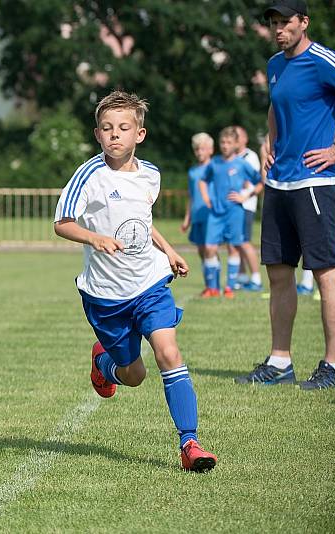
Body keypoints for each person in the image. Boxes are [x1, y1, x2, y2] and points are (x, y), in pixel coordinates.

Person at [54, 91, 217, 472]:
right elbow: (62, 223)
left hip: (149, 283)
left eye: (124, 128)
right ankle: (105, 363)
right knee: (135, 375)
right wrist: (94, 238)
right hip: (106, 296)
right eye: (108, 129)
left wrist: (169, 250)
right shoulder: (89, 176)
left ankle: (189, 443)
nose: (115, 135)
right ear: (97, 134)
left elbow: (143, 222)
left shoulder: (152, 175)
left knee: (168, 353)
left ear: (139, 135)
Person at [235, 1, 335, 389]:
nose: (279, 29)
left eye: (286, 22)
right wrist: (269, 140)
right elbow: (275, 108)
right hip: (279, 184)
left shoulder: (324, 61)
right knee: (279, 273)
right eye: (274, 23)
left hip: (316, 183)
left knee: (325, 273)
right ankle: (280, 362)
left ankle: (334, 367)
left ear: (304, 22)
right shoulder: (274, 65)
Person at [197, 127, 260, 298]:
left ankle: (229, 288)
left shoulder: (242, 164)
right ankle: (212, 288)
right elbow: (202, 181)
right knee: (209, 248)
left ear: (235, 144)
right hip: (216, 213)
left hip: (235, 212)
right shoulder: (215, 163)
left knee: (234, 248)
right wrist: (206, 198)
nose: (225, 146)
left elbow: (260, 182)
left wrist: (244, 196)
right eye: (223, 142)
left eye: (229, 143)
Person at [232, 125, 264, 291]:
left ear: (244, 139)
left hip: (245, 205)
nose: (233, 140)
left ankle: (256, 279)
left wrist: (244, 196)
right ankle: (242, 276)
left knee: (244, 242)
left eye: (236, 136)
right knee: (235, 242)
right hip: (233, 206)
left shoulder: (249, 156)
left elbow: (256, 182)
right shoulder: (230, 157)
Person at [181, 132, 213, 294]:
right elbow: (191, 196)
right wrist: (187, 219)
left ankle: (214, 287)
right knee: (201, 251)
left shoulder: (214, 167)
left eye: (203, 149)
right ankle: (209, 285)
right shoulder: (193, 171)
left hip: (211, 215)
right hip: (197, 216)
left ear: (210, 150)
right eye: (197, 149)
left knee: (210, 249)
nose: (199, 152)